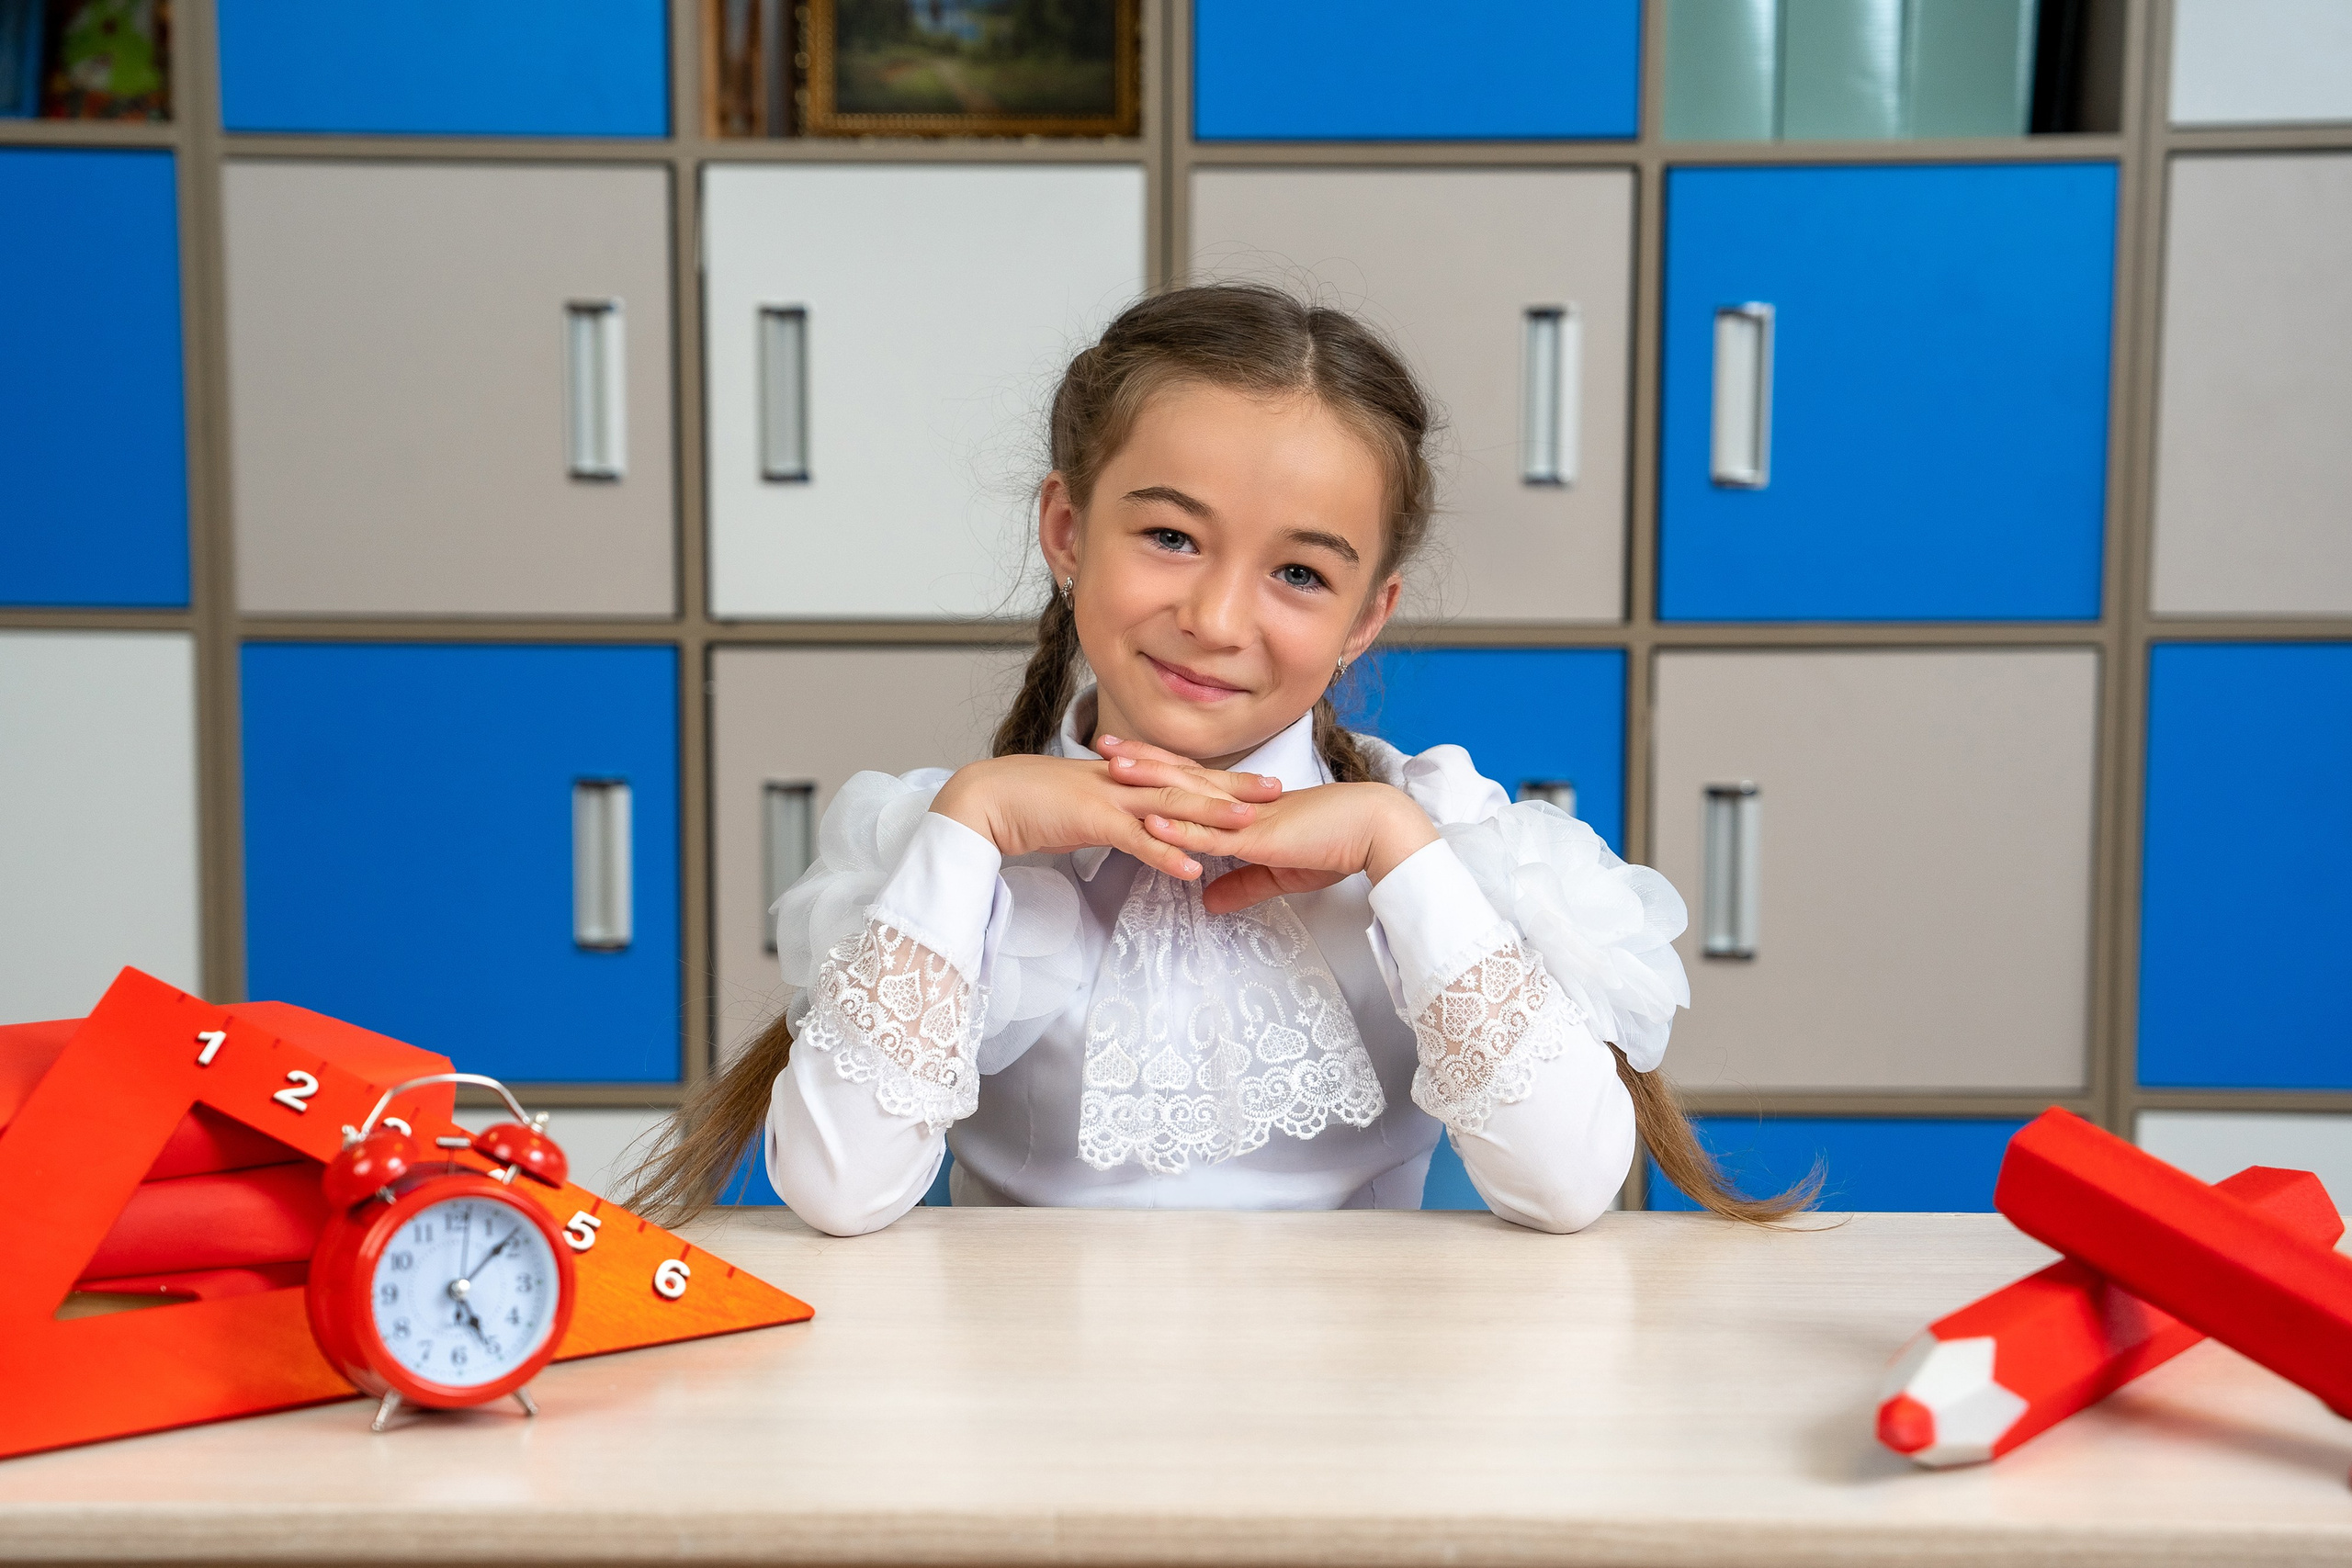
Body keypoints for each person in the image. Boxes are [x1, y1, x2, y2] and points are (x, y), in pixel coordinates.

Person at [631, 283, 1812, 1235]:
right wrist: (974, 820)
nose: (1216, 616)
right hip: (1020, 1453)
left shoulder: (1442, 838)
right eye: (1168, 536)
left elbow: (1565, 1189)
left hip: (1350, 1446)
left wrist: (1395, 848)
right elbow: (838, 1192)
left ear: (1366, 616)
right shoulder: (945, 848)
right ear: (1065, 532)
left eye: (1299, 573)